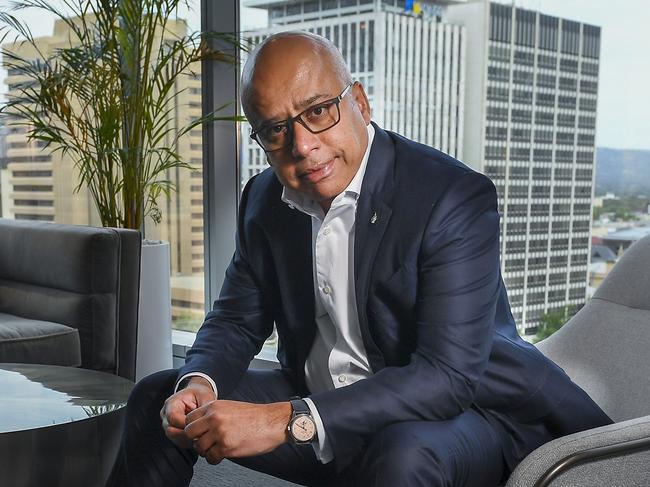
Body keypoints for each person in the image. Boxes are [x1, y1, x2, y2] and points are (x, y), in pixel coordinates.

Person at [109, 31, 612, 487]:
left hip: (459, 420)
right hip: (321, 403)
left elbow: (446, 378)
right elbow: (238, 321)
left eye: (319, 111)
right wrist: (199, 383)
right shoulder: (263, 200)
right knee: (159, 397)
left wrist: (289, 419)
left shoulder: (451, 196)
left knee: (402, 455)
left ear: (360, 102)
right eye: (276, 129)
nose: (303, 145)